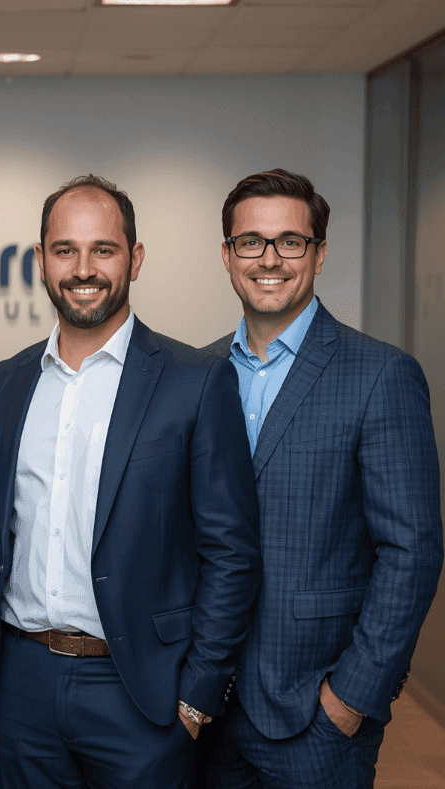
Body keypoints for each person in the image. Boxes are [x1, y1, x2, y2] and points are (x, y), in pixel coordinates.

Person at [0, 174, 262, 789]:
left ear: (136, 258)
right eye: (64, 249)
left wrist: (198, 696)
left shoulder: (195, 381)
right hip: (22, 683)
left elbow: (231, 553)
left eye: (104, 249)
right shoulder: (9, 382)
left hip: (142, 691)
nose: (83, 268)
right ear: (41, 260)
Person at [197, 168, 444, 788]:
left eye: (291, 241)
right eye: (251, 242)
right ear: (227, 256)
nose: (270, 259)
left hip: (316, 714)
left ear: (320, 252)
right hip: (203, 707)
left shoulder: (381, 375)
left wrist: (352, 699)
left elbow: (412, 553)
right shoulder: (194, 376)